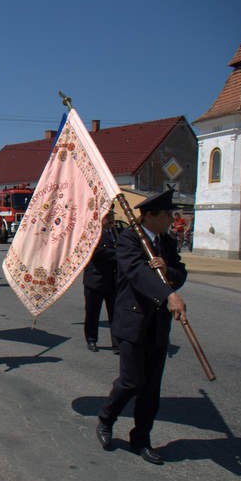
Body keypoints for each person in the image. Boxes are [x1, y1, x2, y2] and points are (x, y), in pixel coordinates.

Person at [96, 189, 187, 466]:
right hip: (133, 320)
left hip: (157, 325)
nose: (171, 218)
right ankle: (106, 418)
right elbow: (136, 273)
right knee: (131, 381)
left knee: (151, 388)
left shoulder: (166, 242)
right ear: (149, 216)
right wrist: (168, 293)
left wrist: (169, 272)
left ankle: (141, 439)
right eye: (166, 214)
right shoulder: (128, 240)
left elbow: (180, 271)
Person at [83, 209, 119, 353]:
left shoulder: (116, 233)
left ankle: (116, 343)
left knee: (115, 314)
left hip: (112, 281)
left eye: (112, 216)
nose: (111, 220)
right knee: (92, 313)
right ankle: (91, 339)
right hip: (95, 281)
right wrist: (119, 255)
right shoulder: (93, 233)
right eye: (108, 217)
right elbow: (97, 253)